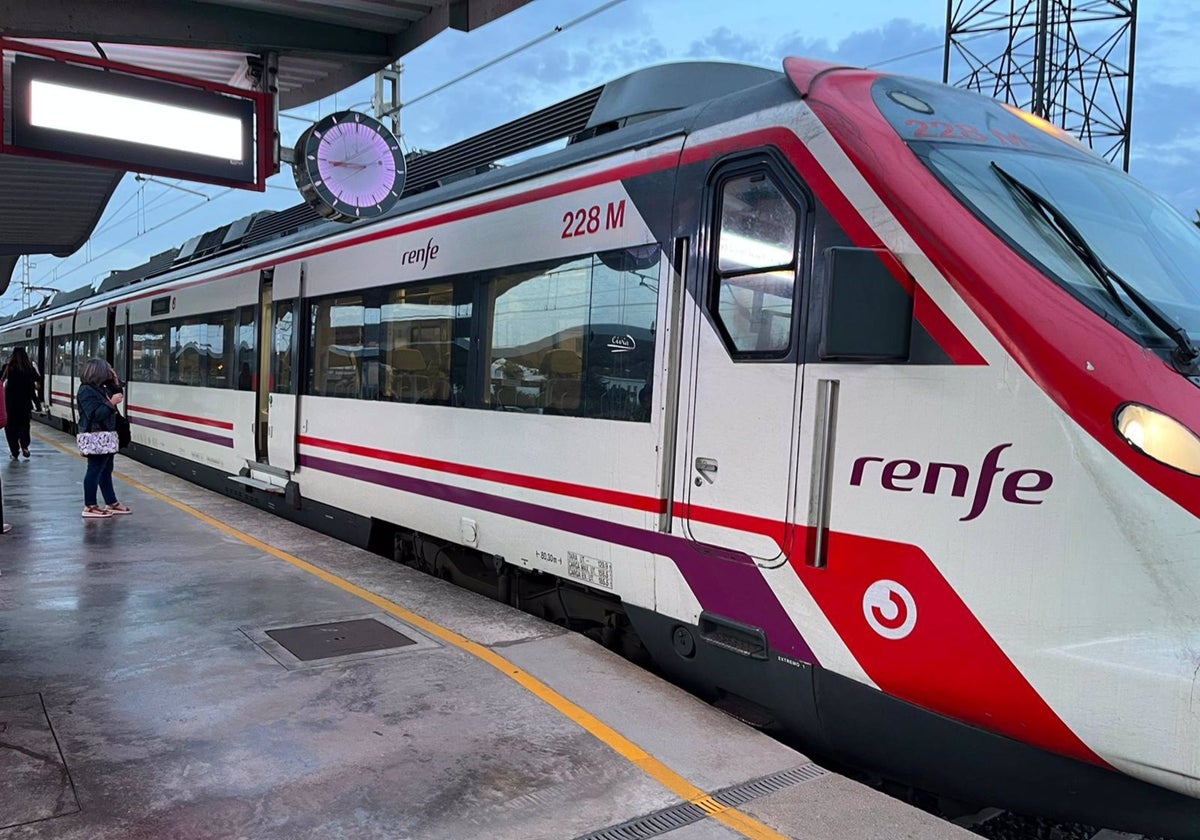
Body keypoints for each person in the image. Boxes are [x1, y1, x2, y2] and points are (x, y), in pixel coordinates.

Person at [76, 358, 132, 519]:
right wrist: (111, 403)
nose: (109, 372)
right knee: (94, 470)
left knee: (106, 469)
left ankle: (111, 502)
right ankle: (90, 506)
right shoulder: (86, 390)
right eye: (106, 371)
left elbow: (117, 393)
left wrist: (115, 381)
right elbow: (94, 414)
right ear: (99, 373)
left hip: (105, 436)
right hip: (96, 436)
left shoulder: (100, 388)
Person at [2, 348, 43, 459]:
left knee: (10, 429)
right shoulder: (29, 368)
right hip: (25, 404)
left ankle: (14, 452)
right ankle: (24, 445)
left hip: (9, 404)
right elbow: (38, 379)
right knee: (24, 426)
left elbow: (1, 380)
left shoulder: (7, 368)